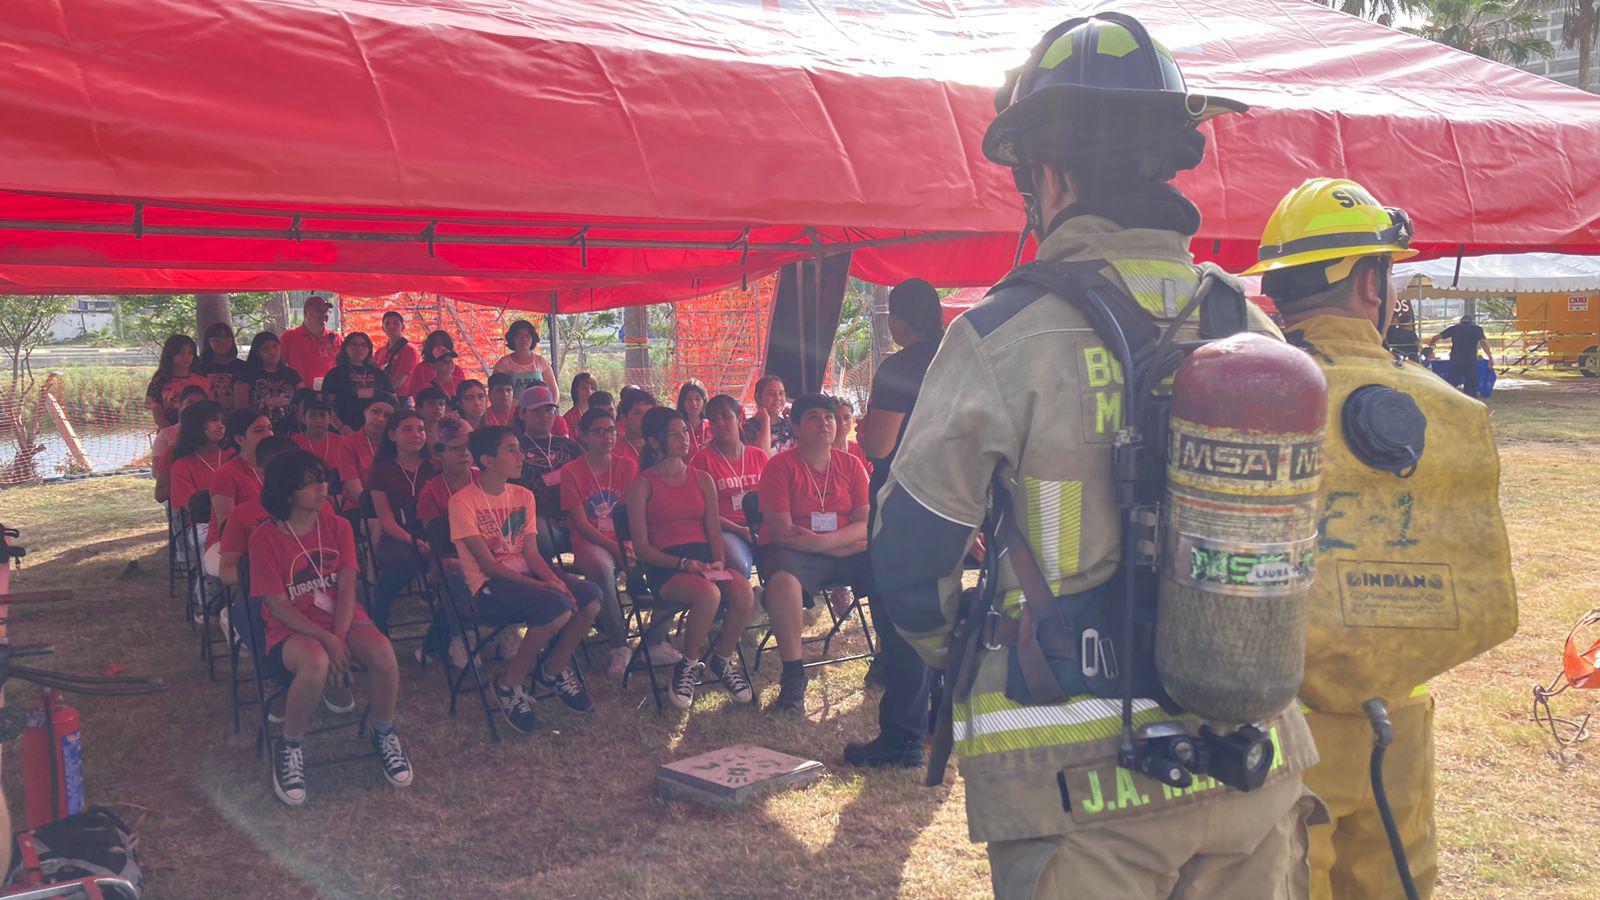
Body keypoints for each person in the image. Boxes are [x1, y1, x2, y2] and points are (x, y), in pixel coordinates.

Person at [872, 15, 1321, 898]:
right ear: (1166, 164)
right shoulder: (1255, 330)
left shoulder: (1001, 336)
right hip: (1251, 770)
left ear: (1048, 172)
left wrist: (959, 652)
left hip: (1077, 792)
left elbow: (908, 558)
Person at [1248, 178, 1517, 900]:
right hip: (1399, 714)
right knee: (1398, 876)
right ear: (1372, 280)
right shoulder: (1450, 409)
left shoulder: (1247, 396)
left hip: (1280, 725)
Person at [250, 450, 412, 806]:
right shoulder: (265, 537)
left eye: (322, 479)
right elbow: (277, 604)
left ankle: (384, 732)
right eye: (310, 482)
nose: (322, 488)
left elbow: (348, 585)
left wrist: (337, 637)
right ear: (287, 490)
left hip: (343, 617)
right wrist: (326, 641)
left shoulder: (337, 525)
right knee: (316, 662)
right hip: (291, 627)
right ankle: (290, 745)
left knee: (384, 654)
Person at [844, 276, 944, 769]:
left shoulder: (901, 367)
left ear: (900, 320)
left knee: (900, 617)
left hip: (905, 503)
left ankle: (903, 735)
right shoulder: (960, 358)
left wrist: (863, 428)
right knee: (940, 611)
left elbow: (878, 445)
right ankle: (939, 718)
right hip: (958, 501)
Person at [450, 426, 603, 731]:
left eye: (519, 448)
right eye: (511, 450)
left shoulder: (523, 495)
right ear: (487, 460)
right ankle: (509, 683)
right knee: (557, 606)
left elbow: (532, 555)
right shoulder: (462, 502)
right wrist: (545, 586)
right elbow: (487, 565)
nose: (521, 456)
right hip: (489, 587)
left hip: (528, 575)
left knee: (590, 597)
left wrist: (556, 581)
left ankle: (554, 669)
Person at [625, 407, 756, 709]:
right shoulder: (643, 485)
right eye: (675, 433)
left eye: (685, 431)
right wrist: (682, 564)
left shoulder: (702, 479)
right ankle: (688, 664)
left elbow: (713, 530)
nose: (684, 438)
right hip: (666, 567)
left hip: (704, 562)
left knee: (742, 591)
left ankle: (722, 659)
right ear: (655, 442)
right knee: (708, 594)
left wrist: (720, 561)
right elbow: (642, 548)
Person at [755, 392, 872, 713]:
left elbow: (865, 524)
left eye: (830, 417)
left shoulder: (853, 465)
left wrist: (823, 544)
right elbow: (783, 533)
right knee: (782, 581)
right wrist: (845, 544)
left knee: (886, 563)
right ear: (794, 425)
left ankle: (889, 659)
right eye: (814, 417)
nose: (824, 423)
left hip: (825, 548)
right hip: (795, 553)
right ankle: (794, 676)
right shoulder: (779, 468)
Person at [560, 409, 674, 677]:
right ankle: (619, 646)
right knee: (602, 568)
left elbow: (635, 512)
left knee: (667, 558)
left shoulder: (626, 465)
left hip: (625, 537)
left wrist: (631, 545)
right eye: (598, 431)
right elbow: (580, 523)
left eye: (611, 430)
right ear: (583, 436)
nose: (607, 436)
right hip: (591, 540)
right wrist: (614, 548)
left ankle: (656, 639)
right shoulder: (572, 471)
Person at [367, 410, 441, 634]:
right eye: (407, 429)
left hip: (434, 532)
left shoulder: (435, 466)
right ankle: (377, 616)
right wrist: (413, 541)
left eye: (420, 429)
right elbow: (386, 521)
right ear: (392, 435)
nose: (416, 434)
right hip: (398, 535)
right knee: (404, 560)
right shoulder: (381, 471)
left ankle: (444, 632)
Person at [688, 394, 767, 579]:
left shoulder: (759, 456)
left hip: (761, 527)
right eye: (714, 419)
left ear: (739, 418)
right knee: (739, 563)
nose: (721, 423)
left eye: (726, 416)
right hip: (727, 530)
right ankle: (740, 599)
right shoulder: (702, 460)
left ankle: (767, 598)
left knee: (783, 559)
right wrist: (740, 530)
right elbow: (702, 511)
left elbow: (773, 501)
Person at [511, 386, 584, 560]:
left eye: (549, 410)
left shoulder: (570, 446)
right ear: (522, 413)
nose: (544, 416)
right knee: (539, 529)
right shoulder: (515, 447)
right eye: (537, 410)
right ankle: (549, 577)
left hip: (578, 516)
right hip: (538, 520)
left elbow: (589, 479)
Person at [217, 435, 298, 589]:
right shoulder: (242, 515)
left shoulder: (319, 507)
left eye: (295, 469)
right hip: (266, 588)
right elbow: (226, 572)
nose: (289, 476)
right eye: (281, 470)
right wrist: (265, 572)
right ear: (262, 473)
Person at [209, 409, 274, 543]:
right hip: (229, 546)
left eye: (270, 428)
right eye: (259, 430)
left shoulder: (276, 467)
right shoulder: (226, 474)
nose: (269, 435)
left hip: (270, 540)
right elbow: (227, 528)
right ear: (239, 439)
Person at [321, 331, 396, 433]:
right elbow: (327, 406)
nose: (359, 348)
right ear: (345, 348)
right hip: (343, 430)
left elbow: (393, 402)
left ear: (369, 349)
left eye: (363, 345)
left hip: (377, 429)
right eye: (354, 344)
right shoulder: (334, 374)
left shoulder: (379, 374)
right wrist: (341, 427)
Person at [168, 401, 233, 514]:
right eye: (213, 420)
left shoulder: (233, 454)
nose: (221, 426)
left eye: (223, 421)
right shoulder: (182, 466)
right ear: (196, 424)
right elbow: (194, 513)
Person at [336, 393, 398, 512]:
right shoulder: (348, 444)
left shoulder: (397, 442)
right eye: (375, 412)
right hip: (360, 508)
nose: (380, 419)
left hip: (395, 507)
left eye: (387, 416)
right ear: (365, 412)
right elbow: (356, 492)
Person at [153, 385, 212, 504]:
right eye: (190, 404)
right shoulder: (166, 436)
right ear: (179, 406)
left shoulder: (216, 435)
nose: (195, 408)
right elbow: (157, 475)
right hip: (182, 503)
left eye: (200, 404)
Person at [236, 331, 304, 434]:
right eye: (266, 348)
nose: (272, 352)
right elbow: (242, 409)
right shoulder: (247, 375)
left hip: (290, 429)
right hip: (259, 430)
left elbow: (304, 399)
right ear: (257, 352)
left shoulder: (291, 374)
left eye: (275, 346)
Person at [145, 334, 211, 429]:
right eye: (181, 353)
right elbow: (158, 415)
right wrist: (172, 435)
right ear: (170, 354)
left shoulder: (202, 381)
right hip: (168, 434)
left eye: (190, 353)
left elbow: (210, 410)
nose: (186, 357)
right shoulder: (159, 381)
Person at [279, 295, 342, 390]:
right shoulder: (289, 337)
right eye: (318, 311)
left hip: (330, 394)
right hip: (301, 395)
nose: (323, 314)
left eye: (326, 311)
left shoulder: (335, 337)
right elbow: (279, 366)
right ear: (306, 313)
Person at [1426, 313, 1496, 398]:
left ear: (1461, 321)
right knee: (1471, 382)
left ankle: (1449, 397)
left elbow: (1436, 337)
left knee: (1453, 380)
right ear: (1472, 322)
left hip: (1456, 359)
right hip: (1470, 359)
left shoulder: (1454, 328)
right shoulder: (1477, 329)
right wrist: (1490, 357)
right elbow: (1484, 343)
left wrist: (1430, 346)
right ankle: (1470, 399)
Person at [493, 319, 558, 403]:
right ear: (513, 338)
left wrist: (550, 410)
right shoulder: (503, 363)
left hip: (538, 411)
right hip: (512, 412)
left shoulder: (541, 361)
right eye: (519, 336)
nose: (524, 339)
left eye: (527, 336)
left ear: (532, 338)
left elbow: (554, 391)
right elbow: (495, 391)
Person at [196, 322, 248, 411]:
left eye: (226, 338)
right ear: (208, 342)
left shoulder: (243, 367)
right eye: (216, 339)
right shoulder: (199, 367)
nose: (222, 342)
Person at [403, 332, 468, 398]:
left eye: (444, 344)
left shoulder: (457, 371)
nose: (440, 346)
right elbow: (415, 395)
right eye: (436, 344)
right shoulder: (421, 369)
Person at [742, 375, 794, 455]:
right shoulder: (747, 429)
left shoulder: (787, 425)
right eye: (771, 393)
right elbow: (760, 459)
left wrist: (795, 424)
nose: (778, 398)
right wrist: (765, 422)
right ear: (758, 397)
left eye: (781, 393)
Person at [291, 398, 340, 473]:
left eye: (322, 415)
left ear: (330, 418)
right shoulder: (293, 444)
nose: (318, 420)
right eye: (312, 415)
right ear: (304, 418)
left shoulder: (342, 443)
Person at [375, 311, 419, 390]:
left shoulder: (409, 350)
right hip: (382, 395)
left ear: (403, 327)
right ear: (383, 328)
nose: (391, 326)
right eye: (387, 324)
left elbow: (399, 380)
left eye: (396, 323)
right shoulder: (380, 351)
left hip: (401, 398)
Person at [613, 389, 654, 465]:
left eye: (649, 412)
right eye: (638, 413)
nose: (645, 418)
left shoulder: (662, 448)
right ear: (623, 419)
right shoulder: (613, 450)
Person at [676, 379, 710, 455]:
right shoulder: (677, 429)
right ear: (682, 402)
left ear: (704, 401)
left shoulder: (712, 427)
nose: (693, 403)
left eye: (698, 399)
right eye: (688, 399)